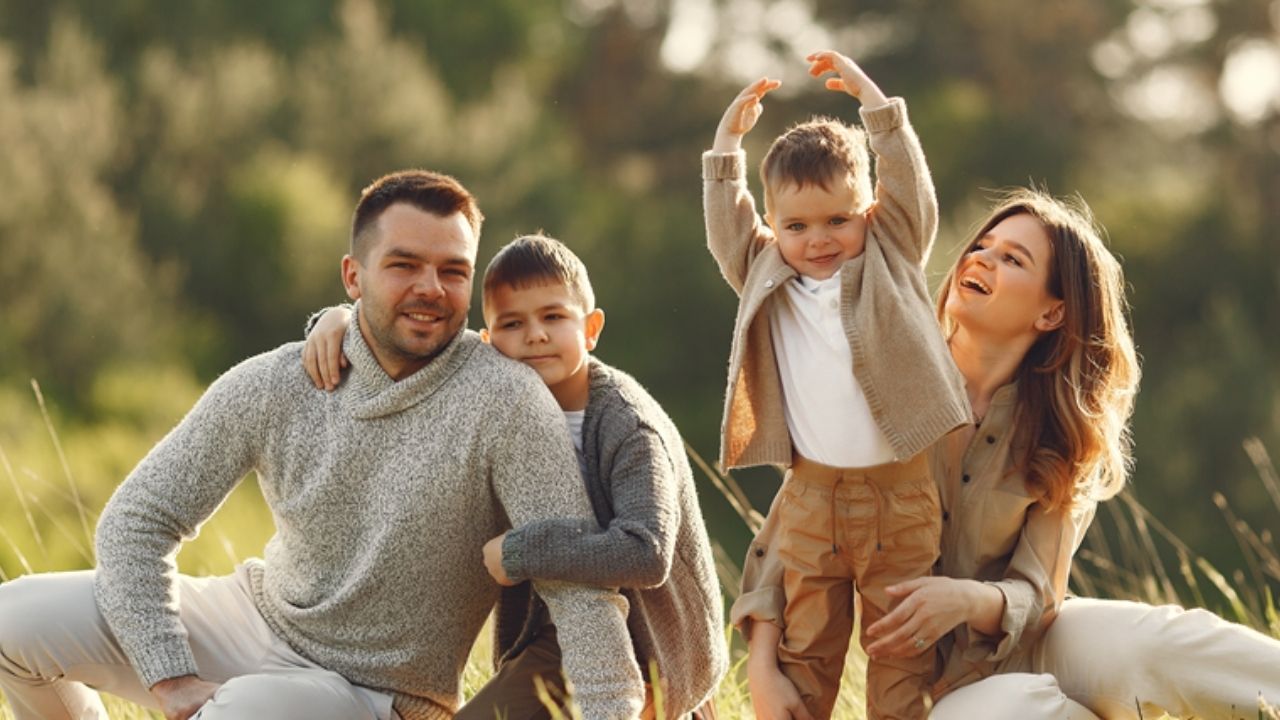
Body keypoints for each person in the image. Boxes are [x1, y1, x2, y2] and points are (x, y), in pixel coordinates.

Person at [0, 170, 644, 720]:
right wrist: (169, 677)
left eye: (453, 271)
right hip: (251, 617)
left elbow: (578, 586)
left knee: (242, 713)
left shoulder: (508, 402)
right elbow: (136, 521)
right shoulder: (278, 380)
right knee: (10, 620)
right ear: (352, 276)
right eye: (403, 265)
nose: (430, 288)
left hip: (371, 693)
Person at [735, 188, 1280, 719]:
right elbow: (791, 532)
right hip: (928, 689)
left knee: (1156, 641)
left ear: (1051, 314)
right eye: (981, 247)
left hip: (1034, 642)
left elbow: (1040, 594)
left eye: (1012, 258)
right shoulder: (877, 386)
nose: (981, 258)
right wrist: (764, 665)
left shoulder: (1063, 431)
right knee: (1012, 710)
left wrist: (967, 600)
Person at [304, 233, 729, 719]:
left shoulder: (626, 426)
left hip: (640, 650)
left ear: (590, 328)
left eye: (553, 317)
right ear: (488, 343)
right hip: (553, 635)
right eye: (512, 323)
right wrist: (335, 320)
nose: (535, 335)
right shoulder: (496, 394)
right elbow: (410, 349)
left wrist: (520, 551)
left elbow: (647, 551)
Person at [702, 50, 970, 720]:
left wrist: (876, 108)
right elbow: (726, 222)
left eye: (836, 221)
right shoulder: (765, 270)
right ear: (773, 225)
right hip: (814, 500)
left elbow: (909, 185)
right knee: (806, 653)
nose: (817, 240)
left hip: (902, 497)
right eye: (796, 225)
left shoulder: (891, 251)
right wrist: (727, 143)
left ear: (868, 211)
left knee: (901, 660)